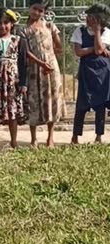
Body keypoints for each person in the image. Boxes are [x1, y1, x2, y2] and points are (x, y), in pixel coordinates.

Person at [0, 8, 28, 153]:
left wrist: (23, 83)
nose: (3, 26)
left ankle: (14, 141)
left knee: (12, 110)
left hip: (12, 82)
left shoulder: (18, 40)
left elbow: (23, 62)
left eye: (6, 23)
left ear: (12, 24)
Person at [21, 0, 64, 148]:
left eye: (41, 10)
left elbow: (59, 48)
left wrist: (55, 39)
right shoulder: (24, 30)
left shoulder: (49, 26)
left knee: (52, 100)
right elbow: (26, 52)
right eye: (35, 9)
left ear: (44, 12)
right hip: (34, 69)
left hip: (51, 68)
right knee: (34, 100)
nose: (37, 13)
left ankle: (50, 137)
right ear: (29, 8)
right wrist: (40, 63)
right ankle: (33, 138)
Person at [70, 3, 110, 144]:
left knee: (101, 104)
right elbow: (79, 52)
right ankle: (75, 136)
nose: (89, 19)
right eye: (89, 16)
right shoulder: (79, 31)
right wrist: (94, 48)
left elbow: (99, 51)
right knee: (82, 104)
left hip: (103, 73)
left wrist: (97, 31)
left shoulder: (106, 32)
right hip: (86, 72)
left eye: (93, 17)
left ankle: (99, 136)